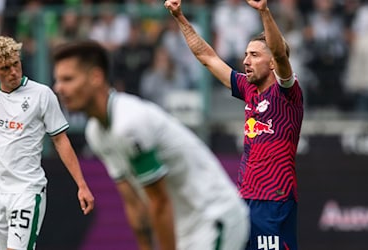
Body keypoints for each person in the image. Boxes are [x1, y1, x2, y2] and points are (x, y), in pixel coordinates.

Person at [52, 40, 249, 250]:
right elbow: (135, 204)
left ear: (96, 77)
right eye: (58, 80)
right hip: (186, 230)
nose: (58, 88)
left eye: (68, 79)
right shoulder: (96, 133)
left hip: (213, 217)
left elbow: (159, 203)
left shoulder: (129, 123)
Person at [164, 0, 303, 249]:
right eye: (246, 54)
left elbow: (280, 52)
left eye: (255, 55)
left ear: (272, 63)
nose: (246, 60)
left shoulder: (287, 93)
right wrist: (180, 17)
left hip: (274, 200)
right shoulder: (248, 88)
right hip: (244, 201)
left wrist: (263, 12)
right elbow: (206, 57)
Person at [0, 36, 94, 250]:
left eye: (16, 64)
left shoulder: (42, 95)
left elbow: (60, 140)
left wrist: (82, 185)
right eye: (5, 68)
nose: (13, 72)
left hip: (26, 191)